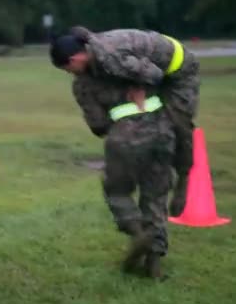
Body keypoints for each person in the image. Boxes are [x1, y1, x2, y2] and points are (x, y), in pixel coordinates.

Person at [51, 28, 200, 217]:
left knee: (179, 123)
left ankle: (184, 177)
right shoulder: (94, 55)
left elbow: (154, 74)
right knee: (160, 123)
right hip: (155, 65)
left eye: (67, 69)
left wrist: (140, 90)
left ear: (74, 59)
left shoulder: (109, 58)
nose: (70, 74)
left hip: (178, 70)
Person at [62, 71, 175, 279]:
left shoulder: (84, 82)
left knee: (117, 191)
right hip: (161, 130)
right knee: (156, 196)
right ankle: (154, 264)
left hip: (124, 138)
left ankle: (139, 235)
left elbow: (98, 125)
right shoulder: (134, 63)